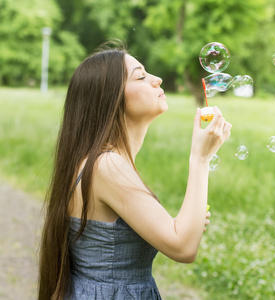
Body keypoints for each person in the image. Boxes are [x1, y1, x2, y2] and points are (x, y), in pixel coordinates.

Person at [38, 40, 232, 300]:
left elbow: (177, 233)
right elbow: (183, 248)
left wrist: (189, 221)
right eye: (141, 76)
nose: (158, 79)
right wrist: (201, 158)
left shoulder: (102, 162)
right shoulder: (107, 165)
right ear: (111, 98)